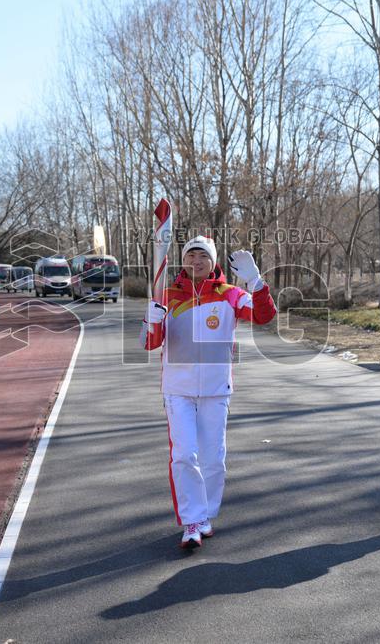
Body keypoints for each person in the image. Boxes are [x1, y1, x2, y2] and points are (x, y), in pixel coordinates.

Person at [142, 235, 277, 548]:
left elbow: (264, 316)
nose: (196, 261)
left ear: (213, 260)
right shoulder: (168, 294)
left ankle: (205, 516)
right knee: (184, 455)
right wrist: (151, 321)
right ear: (184, 260)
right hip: (178, 390)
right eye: (191, 256)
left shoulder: (230, 295)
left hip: (216, 390)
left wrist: (256, 281)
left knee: (214, 459)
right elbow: (149, 343)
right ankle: (191, 521)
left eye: (203, 256)